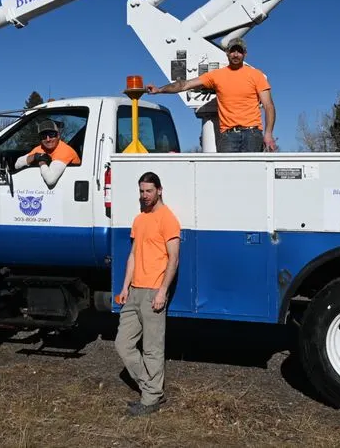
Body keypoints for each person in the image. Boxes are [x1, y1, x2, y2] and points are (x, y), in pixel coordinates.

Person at [114, 171, 181, 417]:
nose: (144, 196)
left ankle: (151, 398)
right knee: (123, 344)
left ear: (159, 190)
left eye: (149, 191)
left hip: (154, 291)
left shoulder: (168, 219)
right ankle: (152, 388)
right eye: (141, 191)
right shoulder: (140, 219)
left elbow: (174, 259)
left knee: (152, 348)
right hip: (134, 292)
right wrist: (124, 287)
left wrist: (163, 291)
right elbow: (133, 255)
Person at [146, 37, 276, 152]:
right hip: (228, 135)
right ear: (227, 53)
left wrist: (268, 134)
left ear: (245, 54)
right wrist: (159, 89)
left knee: (251, 174)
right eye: (232, 51)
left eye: (239, 51)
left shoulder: (256, 75)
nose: (236, 54)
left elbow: (268, 105)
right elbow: (184, 85)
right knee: (226, 175)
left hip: (252, 133)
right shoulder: (216, 76)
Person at [14, 118, 81, 189]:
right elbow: (17, 164)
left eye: (51, 134)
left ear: (58, 135)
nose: (48, 139)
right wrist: (35, 156)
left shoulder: (64, 150)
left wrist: (42, 162)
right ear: (40, 138)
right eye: (44, 136)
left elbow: (50, 180)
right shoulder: (40, 148)